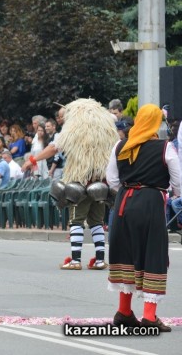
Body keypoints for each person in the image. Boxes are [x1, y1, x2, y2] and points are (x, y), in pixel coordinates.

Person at [106, 104, 179, 332]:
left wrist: (130, 187)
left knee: (125, 253)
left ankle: (125, 312)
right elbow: (178, 182)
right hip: (150, 202)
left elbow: (112, 180)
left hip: (124, 203)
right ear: (156, 123)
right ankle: (149, 315)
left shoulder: (121, 145)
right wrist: (165, 190)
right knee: (152, 253)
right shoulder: (164, 148)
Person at [22, 98, 118, 270]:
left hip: (79, 181)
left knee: (76, 221)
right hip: (99, 183)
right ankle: (100, 260)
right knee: (96, 221)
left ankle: (75, 260)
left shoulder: (74, 130)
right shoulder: (108, 131)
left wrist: (32, 160)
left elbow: (54, 148)